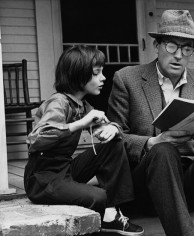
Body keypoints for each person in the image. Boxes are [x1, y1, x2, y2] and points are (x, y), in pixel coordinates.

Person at [107, 10, 194, 236]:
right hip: (148, 186)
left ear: (192, 50)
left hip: (193, 184)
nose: (178, 55)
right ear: (157, 44)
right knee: (163, 150)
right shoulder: (127, 79)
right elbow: (114, 138)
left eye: (187, 48)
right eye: (171, 46)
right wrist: (151, 142)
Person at [24, 45, 144, 236]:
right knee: (98, 196)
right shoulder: (58, 102)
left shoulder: (82, 105)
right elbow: (37, 138)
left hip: (65, 170)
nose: (103, 78)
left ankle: (113, 212)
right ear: (78, 75)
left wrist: (112, 128)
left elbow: (109, 130)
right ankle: (106, 215)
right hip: (42, 179)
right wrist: (81, 123)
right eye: (97, 73)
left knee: (114, 144)